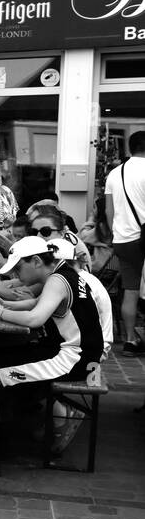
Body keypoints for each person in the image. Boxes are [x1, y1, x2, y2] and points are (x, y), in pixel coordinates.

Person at [0, 236, 104, 478]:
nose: (16, 274)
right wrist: (3, 303)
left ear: (37, 261)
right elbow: (37, 303)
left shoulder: (58, 280)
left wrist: (0, 313)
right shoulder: (63, 274)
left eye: (19, 267)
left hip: (71, 358)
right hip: (75, 353)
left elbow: (35, 318)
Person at [102, 130, 145, 355]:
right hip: (143, 237)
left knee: (131, 289)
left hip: (124, 239)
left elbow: (109, 210)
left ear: (130, 148)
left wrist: (114, 233)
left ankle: (130, 340)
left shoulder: (115, 174)